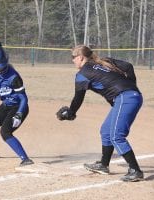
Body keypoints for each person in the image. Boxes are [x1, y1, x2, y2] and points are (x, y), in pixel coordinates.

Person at [56, 45, 143, 182]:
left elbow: (78, 98)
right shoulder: (103, 61)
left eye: (73, 57)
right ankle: (104, 165)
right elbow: (128, 66)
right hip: (127, 96)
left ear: (80, 57)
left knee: (116, 136)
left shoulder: (82, 74)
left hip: (126, 97)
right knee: (106, 131)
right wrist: (131, 85)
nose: (72, 60)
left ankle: (135, 170)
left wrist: (70, 113)